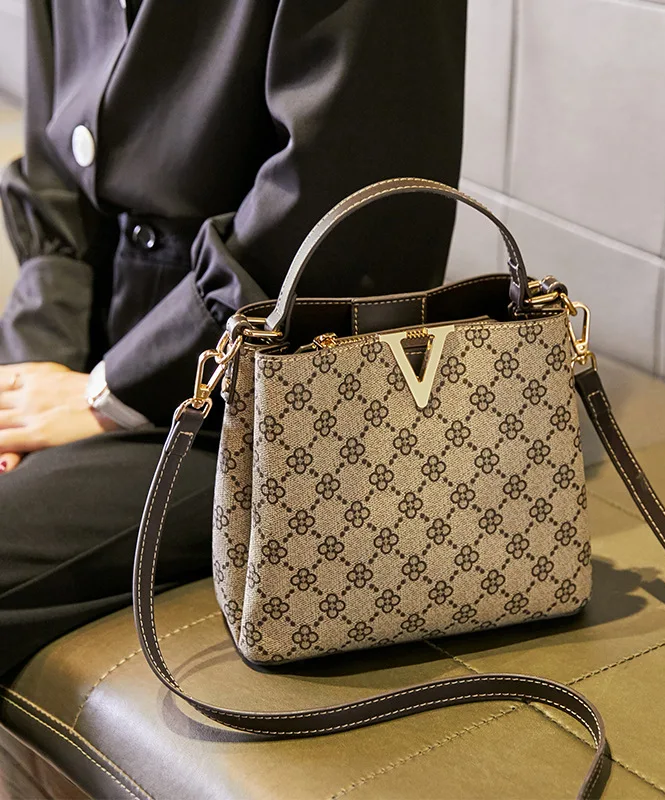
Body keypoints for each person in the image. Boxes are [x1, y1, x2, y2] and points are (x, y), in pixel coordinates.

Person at [0, 0, 466, 678]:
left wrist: (111, 392)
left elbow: (334, 223)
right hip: (98, 345)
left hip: (270, 399)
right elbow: (56, 168)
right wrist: (34, 369)